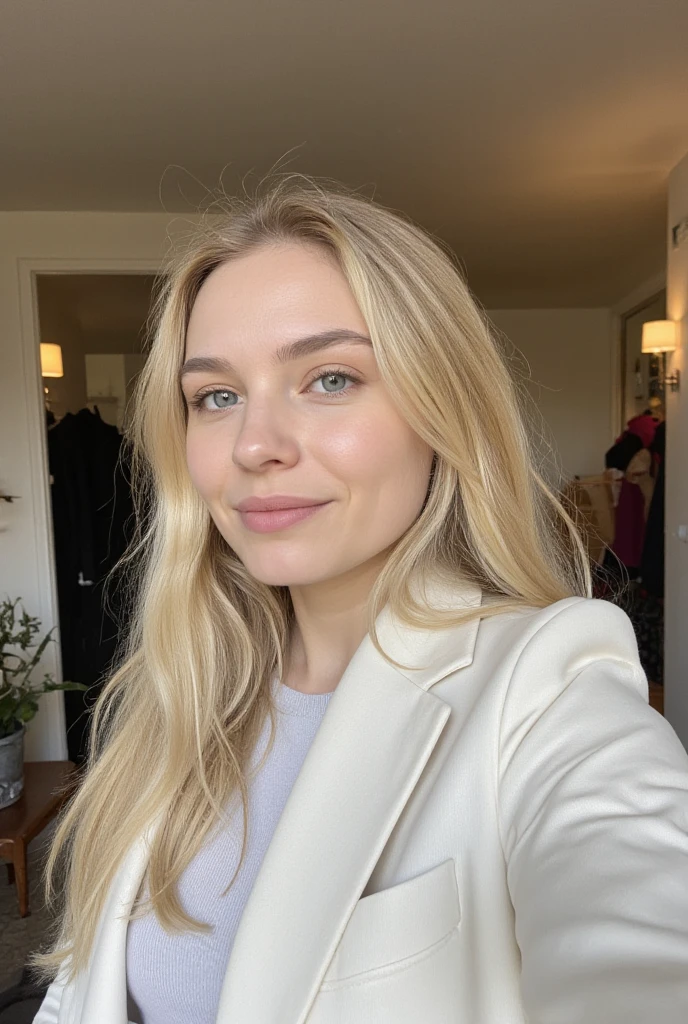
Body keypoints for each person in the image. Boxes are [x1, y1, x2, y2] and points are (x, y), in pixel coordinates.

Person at [34, 180, 688, 1024]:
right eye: (216, 397)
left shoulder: (548, 687)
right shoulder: (184, 691)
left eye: (330, 378)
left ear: (440, 411)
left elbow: (645, 936)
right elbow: (83, 987)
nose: (255, 445)